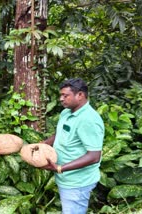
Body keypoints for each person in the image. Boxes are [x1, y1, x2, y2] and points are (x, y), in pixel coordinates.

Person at [41, 78, 104, 214]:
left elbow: (94, 156)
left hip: (77, 182)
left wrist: (59, 168)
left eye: (65, 95)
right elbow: (60, 133)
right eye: (61, 95)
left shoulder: (89, 119)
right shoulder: (67, 112)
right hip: (66, 179)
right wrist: (45, 144)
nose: (61, 99)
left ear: (80, 95)